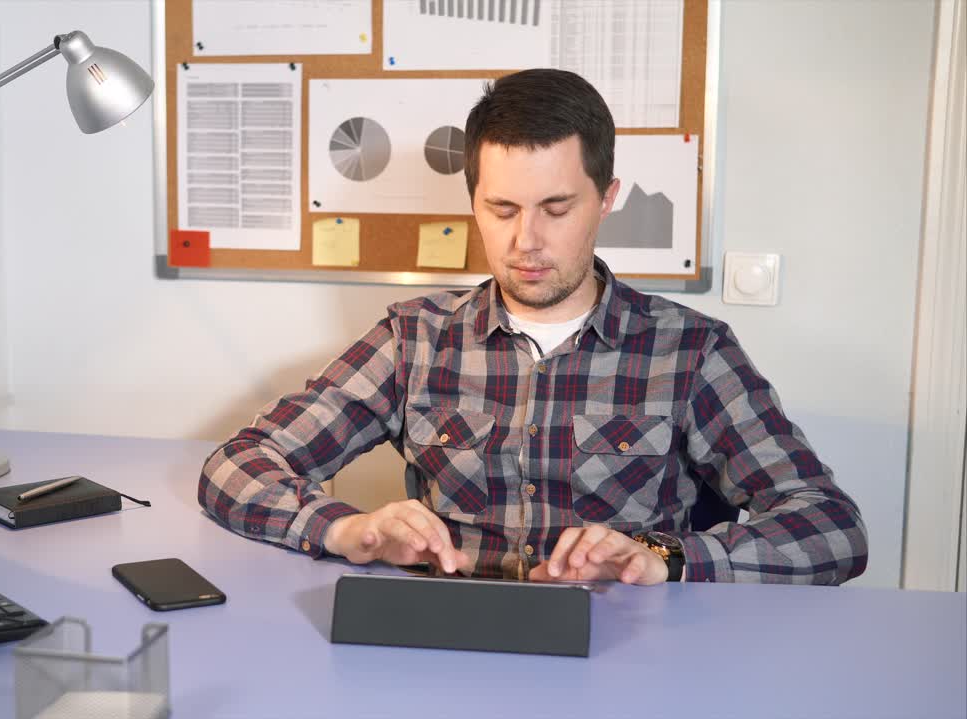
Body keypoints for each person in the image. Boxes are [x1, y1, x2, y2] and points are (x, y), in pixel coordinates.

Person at [198, 69, 868, 585]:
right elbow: (235, 468)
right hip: (451, 649)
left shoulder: (690, 350)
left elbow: (831, 527)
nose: (526, 240)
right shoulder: (415, 339)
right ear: (474, 203)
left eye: (556, 207)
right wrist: (343, 529)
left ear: (606, 198)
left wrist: (665, 558)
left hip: (626, 654)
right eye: (501, 209)